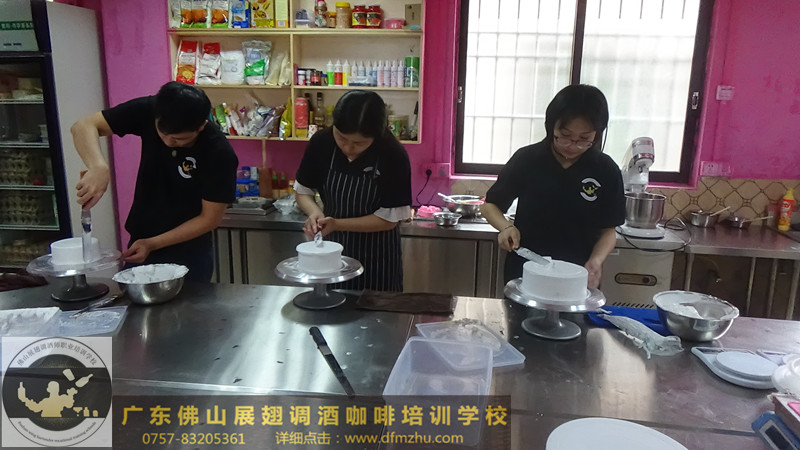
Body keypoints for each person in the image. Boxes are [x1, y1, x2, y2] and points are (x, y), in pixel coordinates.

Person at [71, 81, 238, 282]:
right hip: (141, 242)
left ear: (201, 126)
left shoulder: (219, 152)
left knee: (188, 301)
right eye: (163, 134)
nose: (168, 142)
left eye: (179, 139)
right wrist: (98, 166)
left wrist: (152, 244)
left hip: (189, 251)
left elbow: (209, 219)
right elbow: (83, 126)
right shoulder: (152, 109)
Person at [481, 84, 625, 288]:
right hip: (526, 270)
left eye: (584, 139)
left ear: (597, 133)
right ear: (551, 127)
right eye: (565, 136)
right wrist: (505, 227)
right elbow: (490, 205)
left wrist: (596, 261)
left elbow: (608, 230)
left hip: (578, 274)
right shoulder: (527, 159)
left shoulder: (605, 169)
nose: (573, 145)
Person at [294, 90, 412, 291]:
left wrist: (337, 224)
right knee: (330, 305)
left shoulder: (392, 154)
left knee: (374, 308)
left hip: (377, 260)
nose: (348, 148)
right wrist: (315, 212)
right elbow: (302, 190)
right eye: (341, 138)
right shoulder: (321, 142)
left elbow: (388, 220)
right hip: (331, 254)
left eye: (359, 143)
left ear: (376, 135)